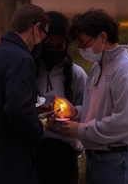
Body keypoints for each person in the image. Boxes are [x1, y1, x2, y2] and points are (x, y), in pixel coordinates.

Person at [0, 4, 55, 184]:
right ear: (36, 27)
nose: (42, 42)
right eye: (44, 36)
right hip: (8, 154)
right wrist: (39, 126)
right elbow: (16, 109)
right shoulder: (22, 59)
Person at [59, 9, 128, 184]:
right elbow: (100, 110)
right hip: (98, 160)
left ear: (102, 36)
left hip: (120, 162)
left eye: (83, 44)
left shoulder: (127, 71)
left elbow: (125, 122)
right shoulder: (98, 67)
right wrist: (76, 113)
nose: (82, 50)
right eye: (78, 46)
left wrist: (81, 130)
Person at [35, 11, 87, 184]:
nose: (53, 52)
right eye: (48, 46)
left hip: (65, 152)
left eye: (60, 47)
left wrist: (73, 112)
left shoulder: (76, 75)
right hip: (33, 150)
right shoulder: (28, 71)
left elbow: (89, 111)